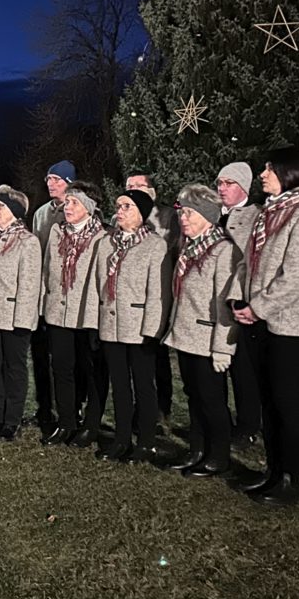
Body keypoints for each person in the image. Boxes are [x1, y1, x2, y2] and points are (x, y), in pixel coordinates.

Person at [232, 147, 299, 506]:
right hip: (260, 321)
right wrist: (240, 300)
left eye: (270, 168)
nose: (263, 174)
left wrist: (257, 308)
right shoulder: (268, 213)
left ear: (290, 173)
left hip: (292, 325)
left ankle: (291, 478)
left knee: (287, 402)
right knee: (269, 401)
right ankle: (273, 471)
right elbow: (249, 263)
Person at [85, 189, 170, 462]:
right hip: (110, 324)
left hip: (138, 327)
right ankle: (121, 439)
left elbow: (158, 293)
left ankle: (146, 441)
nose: (119, 211)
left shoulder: (155, 246)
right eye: (119, 206)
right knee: (119, 385)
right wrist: (94, 323)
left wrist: (152, 330)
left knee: (143, 385)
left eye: (127, 206)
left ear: (141, 213)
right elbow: (96, 286)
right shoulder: (106, 243)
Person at [162, 185, 238, 478]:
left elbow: (225, 303)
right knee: (193, 395)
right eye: (181, 213)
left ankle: (218, 455)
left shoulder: (223, 250)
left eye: (190, 213)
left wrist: (223, 348)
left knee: (212, 400)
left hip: (207, 340)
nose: (183, 219)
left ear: (208, 216)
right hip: (186, 336)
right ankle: (197, 449)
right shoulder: (189, 248)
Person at [41, 181, 107, 448]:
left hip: (87, 315)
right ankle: (66, 422)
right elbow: (48, 270)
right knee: (61, 368)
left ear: (89, 207)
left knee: (91, 371)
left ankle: (91, 424)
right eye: (66, 202)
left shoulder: (103, 237)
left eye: (74, 202)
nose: (67, 207)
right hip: (58, 312)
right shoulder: (57, 232)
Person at [0, 188, 41, 442]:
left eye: (1, 207)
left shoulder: (27, 241)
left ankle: (12, 420)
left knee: (14, 368)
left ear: (15, 211)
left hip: (13, 316)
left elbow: (29, 284)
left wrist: (23, 320)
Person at [125, 171, 179, 425]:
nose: (133, 189)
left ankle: (161, 405)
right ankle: (139, 405)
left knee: (156, 353)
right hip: (131, 293)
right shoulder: (122, 214)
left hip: (159, 288)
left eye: (139, 185)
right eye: (129, 185)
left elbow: (174, 249)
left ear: (152, 191)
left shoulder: (167, 216)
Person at [215, 162, 263, 449]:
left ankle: (248, 425)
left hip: (240, 301)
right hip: (211, 301)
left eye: (229, 183)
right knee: (214, 368)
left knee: (244, 371)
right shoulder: (212, 214)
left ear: (244, 187)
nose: (222, 188)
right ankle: (218, 421)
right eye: (219, 183)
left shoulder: (256, 216)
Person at [28, 160, 75, 431]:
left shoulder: (79, 209)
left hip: (65, 294)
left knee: (65, 360)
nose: (51, 184)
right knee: (40, 355)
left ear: (69, 183)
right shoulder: (41, 213)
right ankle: (44, 407)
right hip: (42, 293)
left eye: (57, 179)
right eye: (48, 179)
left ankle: (70, 409)